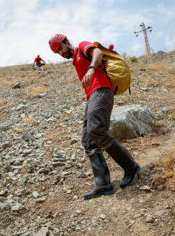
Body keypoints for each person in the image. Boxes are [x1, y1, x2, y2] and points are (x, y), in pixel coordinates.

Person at [49, 34, 141, 200]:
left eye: (60, 48)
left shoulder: (82, 46)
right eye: (57, 52)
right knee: (87, 140)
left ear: (67, 42)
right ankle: (103, 183)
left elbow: (97, 53)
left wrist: (91, 69)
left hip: (102, 90)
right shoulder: (75, 61)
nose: (61, 53)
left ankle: (131, 167)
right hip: (92, 96)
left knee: (95, 129)